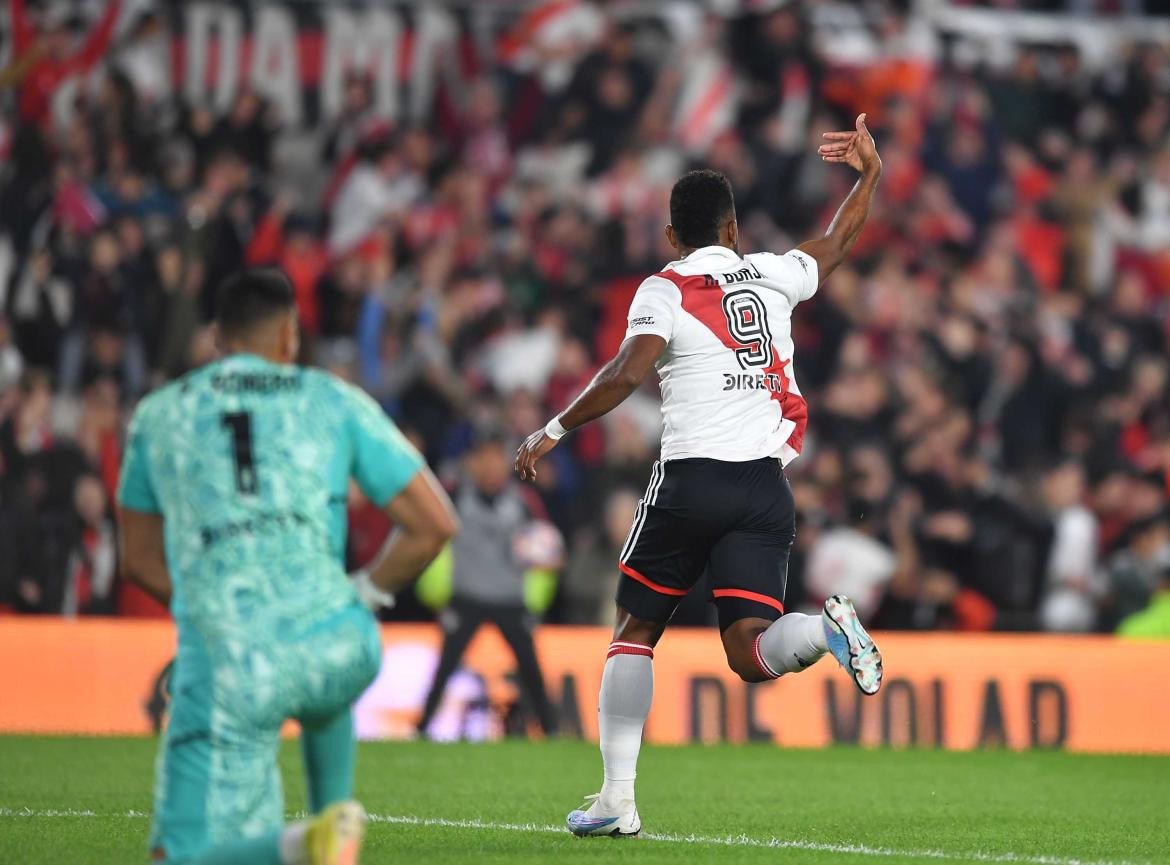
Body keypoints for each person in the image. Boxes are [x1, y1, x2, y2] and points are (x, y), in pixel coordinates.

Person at [515, 114, 884, 837]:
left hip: (691, 481)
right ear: (734, 229)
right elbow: (838, 240)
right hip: (763, 490)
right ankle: (826, 632)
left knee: (635, 629)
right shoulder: (773, 272)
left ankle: (618, 800)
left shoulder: (666, 286)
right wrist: (870, 174)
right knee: (753, 651)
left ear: (672, 238)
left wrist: (553, 428)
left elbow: (627, 372)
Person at [117, 268, 458, 865]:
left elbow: (138, 558)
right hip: (339, 639)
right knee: (327, 687)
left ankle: (307, 845)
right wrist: (366, 595)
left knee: (181, 856)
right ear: (288, 339)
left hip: (235, 660)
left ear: (215, 341)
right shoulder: (332, 398)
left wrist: (210, 599)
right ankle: (334, 819)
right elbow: (434, 524)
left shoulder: (158, 416)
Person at [416, 428, 558, 738]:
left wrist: (537, 593)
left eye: (496, 459)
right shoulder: (454, 497)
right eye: (485, 459)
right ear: (474, 463)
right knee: (445, 666)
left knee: (531, 668)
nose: (491, 466)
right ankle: (423, 726)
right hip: (466, 596)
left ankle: (550, 729)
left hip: (509, 597)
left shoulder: (523, 501)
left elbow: (546, 548)